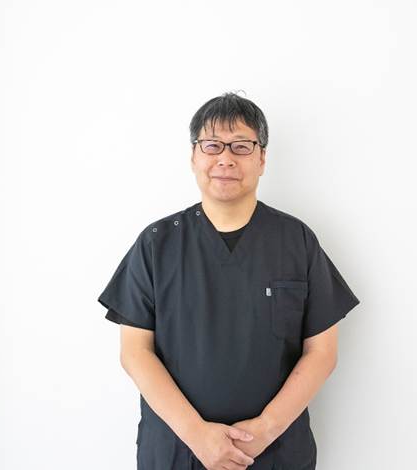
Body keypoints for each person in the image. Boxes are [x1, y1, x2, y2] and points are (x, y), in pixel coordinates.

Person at [97, 91, 361, 470]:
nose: (225, 158)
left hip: (275, 454)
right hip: (178, 451)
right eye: (212, 145)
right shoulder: (156, 244)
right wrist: (198, 436)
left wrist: (264, 432)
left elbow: (322, 352)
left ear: (262, 159)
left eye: (241, 146)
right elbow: (135, 352)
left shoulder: (296, 241)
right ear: (194, 156)